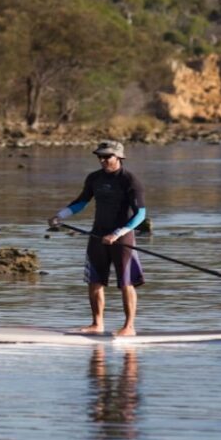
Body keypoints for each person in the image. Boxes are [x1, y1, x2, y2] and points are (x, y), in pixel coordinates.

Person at [49, 140, 146, 335]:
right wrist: (61, 215)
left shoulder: (130, 180)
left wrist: (117, 234)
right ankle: (97, 324)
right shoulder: (94, 178)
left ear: (118, 157)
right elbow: (81, 202)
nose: (102, 160)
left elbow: (140, 214)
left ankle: (129, 327)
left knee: (125, 282)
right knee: (94, 280)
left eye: (106, 156)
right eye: (99, 156)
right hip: (97, 234)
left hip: (122, 237)